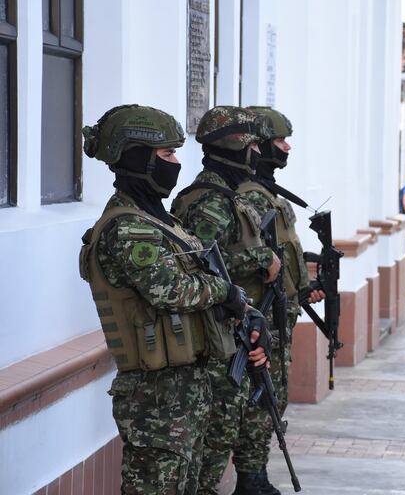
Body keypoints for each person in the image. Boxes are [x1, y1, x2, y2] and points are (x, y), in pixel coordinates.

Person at [78, 105, 267, 493]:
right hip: (156, 398)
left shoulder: (163, 222)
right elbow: (171, 290)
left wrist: (240, 311)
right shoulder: (128, 229)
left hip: (186, 388)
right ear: (134, 156)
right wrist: (226, 291)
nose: (176, 163)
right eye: (167, 154)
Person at [170, 105, 287, 495]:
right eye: (253, 146)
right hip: (216, 335)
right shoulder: (210, 201)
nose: (257, 155)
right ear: (237, 148)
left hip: (232, 329)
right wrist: (259, 258)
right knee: (214, 438)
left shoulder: (225, 196)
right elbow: (199, 264)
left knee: (225, 430)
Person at [234, 105, 324, 494]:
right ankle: (250, 478)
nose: (287, 148)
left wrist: (303, 280)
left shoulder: (268, 194)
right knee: (260, 401)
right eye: (279, 141)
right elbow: (246, 256)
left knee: (273, 398)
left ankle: (255, 475)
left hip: (278, 314)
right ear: (258, 146)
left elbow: (279, 251)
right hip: (260, 315)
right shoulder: (248, 196)